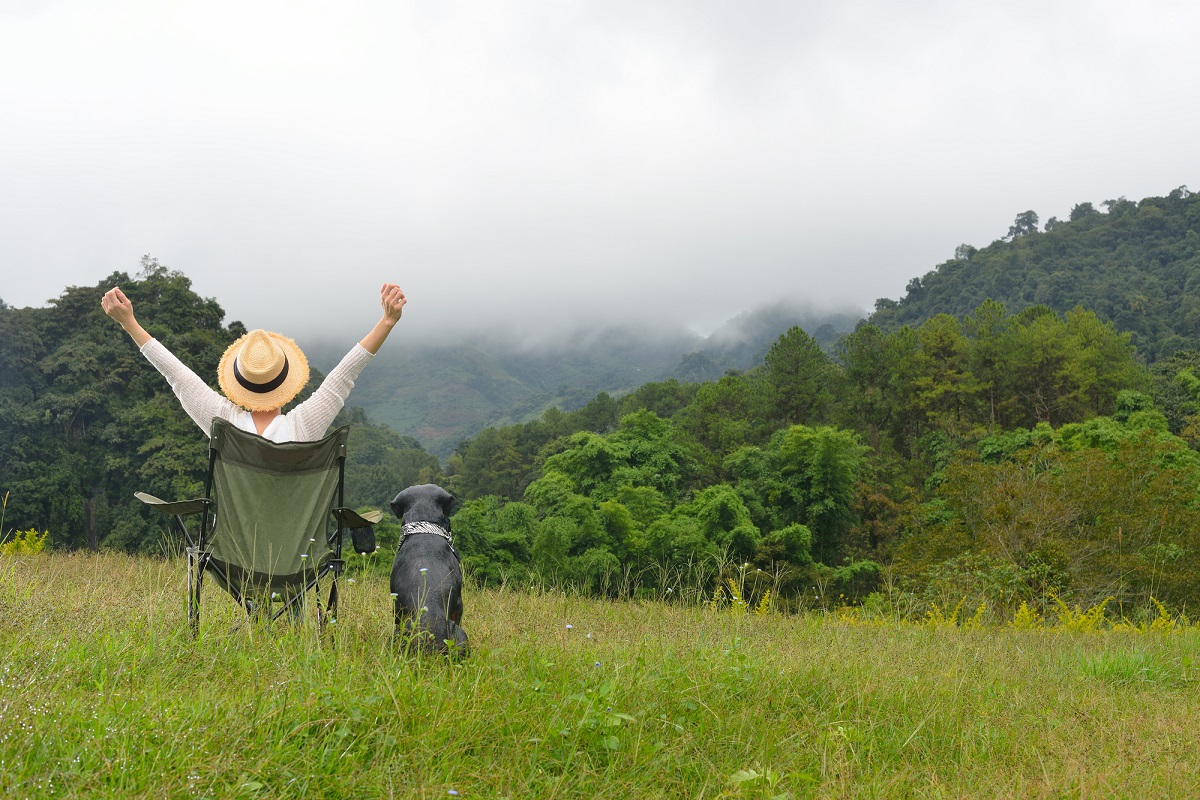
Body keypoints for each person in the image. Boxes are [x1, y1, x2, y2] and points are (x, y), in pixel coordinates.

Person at [101, 283, 406, 442]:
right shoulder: (302, 427)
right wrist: (387, 321)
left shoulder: (222, 423)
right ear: (286, 382)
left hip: (231, 553)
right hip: (295, 553)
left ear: (239, 382)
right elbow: (343, 377)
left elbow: (177, 375)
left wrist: (129, 322)